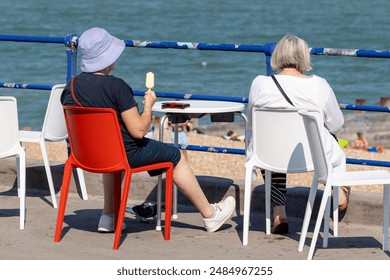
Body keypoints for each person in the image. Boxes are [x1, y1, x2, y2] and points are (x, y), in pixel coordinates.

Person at [61, 27, 235, 233]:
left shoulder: (70, 86)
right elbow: (139, 131)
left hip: (87, 155)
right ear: (106, 58)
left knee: (111, 150)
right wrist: (148, 105)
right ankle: (210, 214)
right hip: (125, 154)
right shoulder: (116, 87)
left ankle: (108, 217)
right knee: (175, 155)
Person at [247, 34, 350, 234]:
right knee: (331, 139)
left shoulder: (259, 84)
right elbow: (336, 124)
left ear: (277, 55)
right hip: (312, 157)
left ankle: (279, 213)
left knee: (271, 142)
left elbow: (251, 120)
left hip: (270, 155)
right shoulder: (319, 85)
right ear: (305, 57)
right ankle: (338, 193)